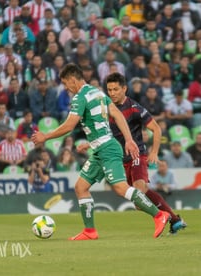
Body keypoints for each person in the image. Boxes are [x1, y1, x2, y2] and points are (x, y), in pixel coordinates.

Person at [32, 64, 170, 240]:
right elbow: (117, 115)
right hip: (100, 149)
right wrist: (128, 139)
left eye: (66, 83)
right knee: (81, 187)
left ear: (73, 80)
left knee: (121, 188)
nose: (66, 88)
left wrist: (46, 136)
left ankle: (159, 215)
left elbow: (69, 126)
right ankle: (90, 231)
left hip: (107, 149)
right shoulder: (97, 92)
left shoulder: (80, 97)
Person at [104, 72, 186, 234]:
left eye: (115, 89)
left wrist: (154, 152)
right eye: (109, 90)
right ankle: (174, 219)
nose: (112, 93)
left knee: (140, 190)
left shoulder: (134, 108)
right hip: (120, 160)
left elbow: (156, 128)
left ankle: (166, 218)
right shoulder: (107, 109)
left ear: (124, 89)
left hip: (136, 155)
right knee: (138, 202)